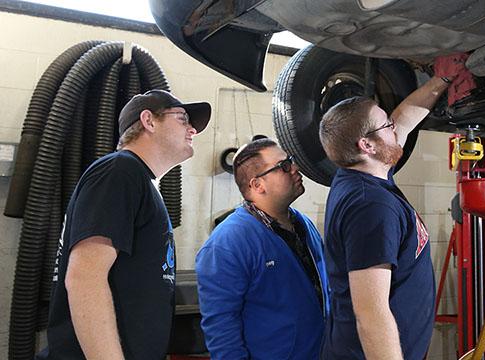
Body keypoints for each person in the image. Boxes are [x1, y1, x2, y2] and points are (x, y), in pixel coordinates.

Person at [36, 89, 211, 360]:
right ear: (149, 121)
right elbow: (84, 278)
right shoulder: (119, 171)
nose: (192, 130)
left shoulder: (141, 181)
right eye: (183, 119)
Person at [318, 54, 472, 359]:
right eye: (385, 125)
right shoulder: (371, 208)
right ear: (367, 145)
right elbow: (371, 316)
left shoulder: (361, 172)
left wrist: (441, 80)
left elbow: (402, 120)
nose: (394, 127)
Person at [196, 138, 330, 359]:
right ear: (257, 185)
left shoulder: (304, 226)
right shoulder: (228, 243)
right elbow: (221, 329)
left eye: (292, 161)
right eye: (284, 166)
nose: (295, 168)